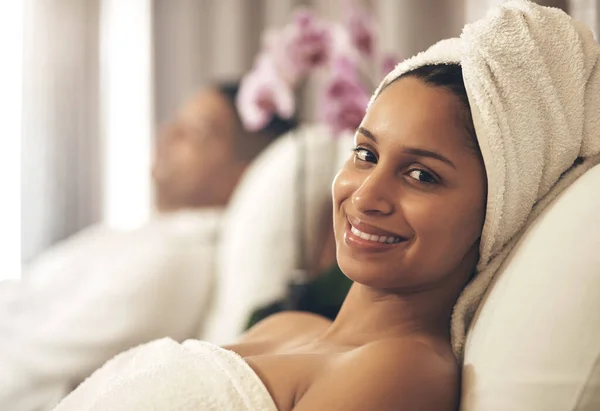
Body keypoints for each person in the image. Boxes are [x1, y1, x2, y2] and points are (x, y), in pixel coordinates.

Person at [51, 2, 600, 410]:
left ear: (497, 210)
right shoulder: (288, 325)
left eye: (421, 174)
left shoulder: (404, 372)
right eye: (365, 153)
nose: (365, 195)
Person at [0, 82, 297, 411]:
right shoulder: (146, 237)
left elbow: (31, 367)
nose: (168, 133)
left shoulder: (172, 263)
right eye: (177, 122)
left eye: (195, 132)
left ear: (245, 173)